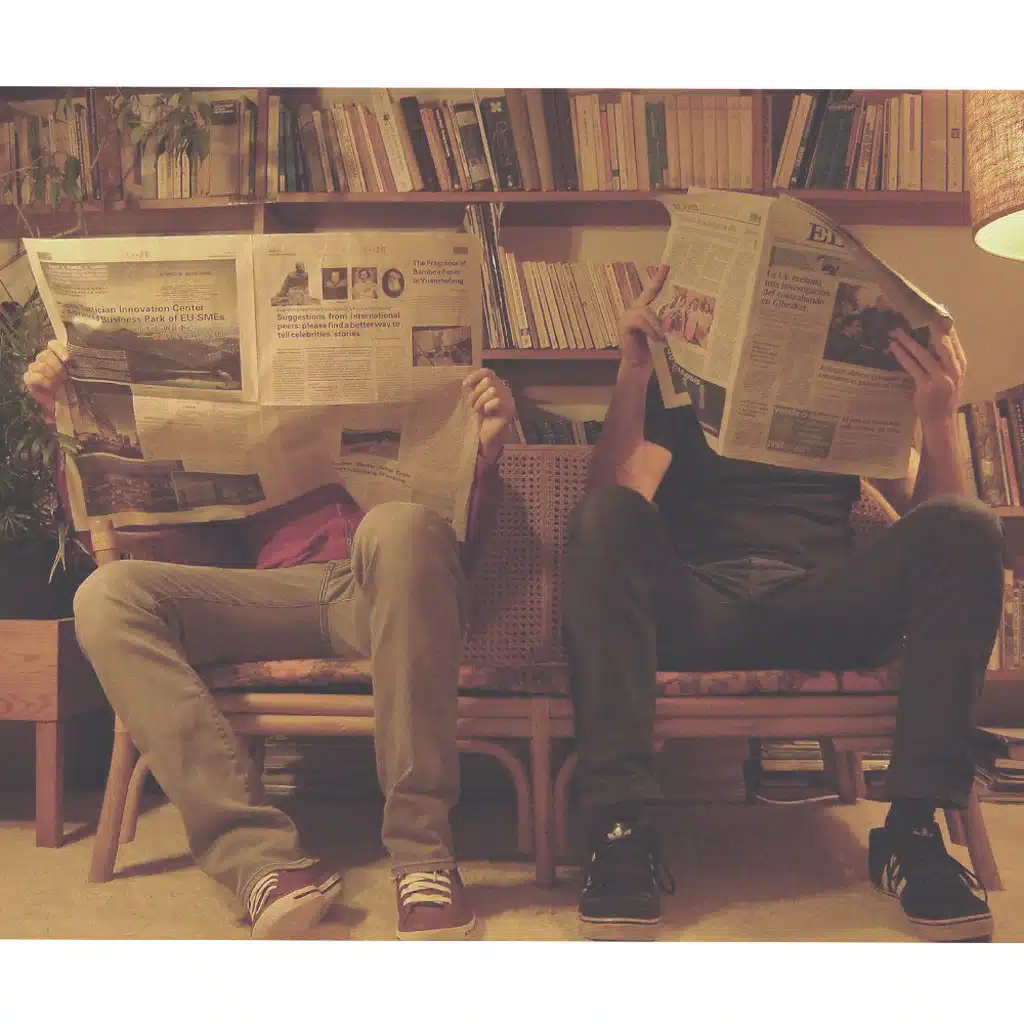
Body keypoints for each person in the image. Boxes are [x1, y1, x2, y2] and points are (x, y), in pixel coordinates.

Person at [564, 265, 1003, 943]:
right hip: (699, 605)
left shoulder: (845, 392)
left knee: (968, 526)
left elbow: (934, 517)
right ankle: (621, 831)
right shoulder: (674, 391)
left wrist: (938, 420)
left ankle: (914, 831)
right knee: (603, 519)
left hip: (820, 604)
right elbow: (609, 505)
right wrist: (632, 375)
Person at [23, 340, 517, 941]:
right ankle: (259, 860)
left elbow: (458, 551)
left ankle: (424, 856)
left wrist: (482, 452)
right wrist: (68, 420)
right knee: (105, 597)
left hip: (381, 585)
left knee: (400, 523)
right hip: (266, 591)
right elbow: (156, 535)